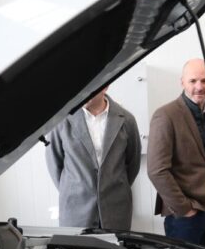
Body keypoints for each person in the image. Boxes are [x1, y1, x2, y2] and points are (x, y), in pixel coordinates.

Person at [147, 59, 205, 249]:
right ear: (182, 82)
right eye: (193, 81)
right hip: (185, 216)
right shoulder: (165, 115)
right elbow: (157, 170)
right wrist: (185, 209)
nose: (199, 87)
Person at [46, 86, 141, 230]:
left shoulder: (127, 120)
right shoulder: (61, 121)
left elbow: (132, 163)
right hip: (75, 212)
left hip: (116, 211)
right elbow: (55, 163)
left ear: (105, 86)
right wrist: (77, 188)